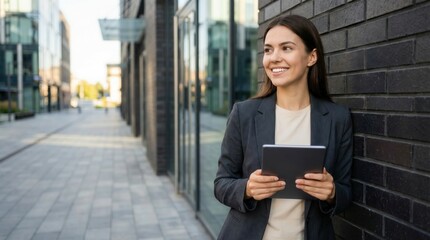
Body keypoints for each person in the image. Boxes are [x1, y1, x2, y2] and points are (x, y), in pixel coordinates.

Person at [214, 15, 353, 240]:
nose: (274, 58)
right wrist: (247, 188)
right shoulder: (244, 114)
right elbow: (221, 183)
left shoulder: (338, 118)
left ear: (312, 57)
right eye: (268, 50)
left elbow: (346, 191)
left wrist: (332, 192)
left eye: (286, 48)